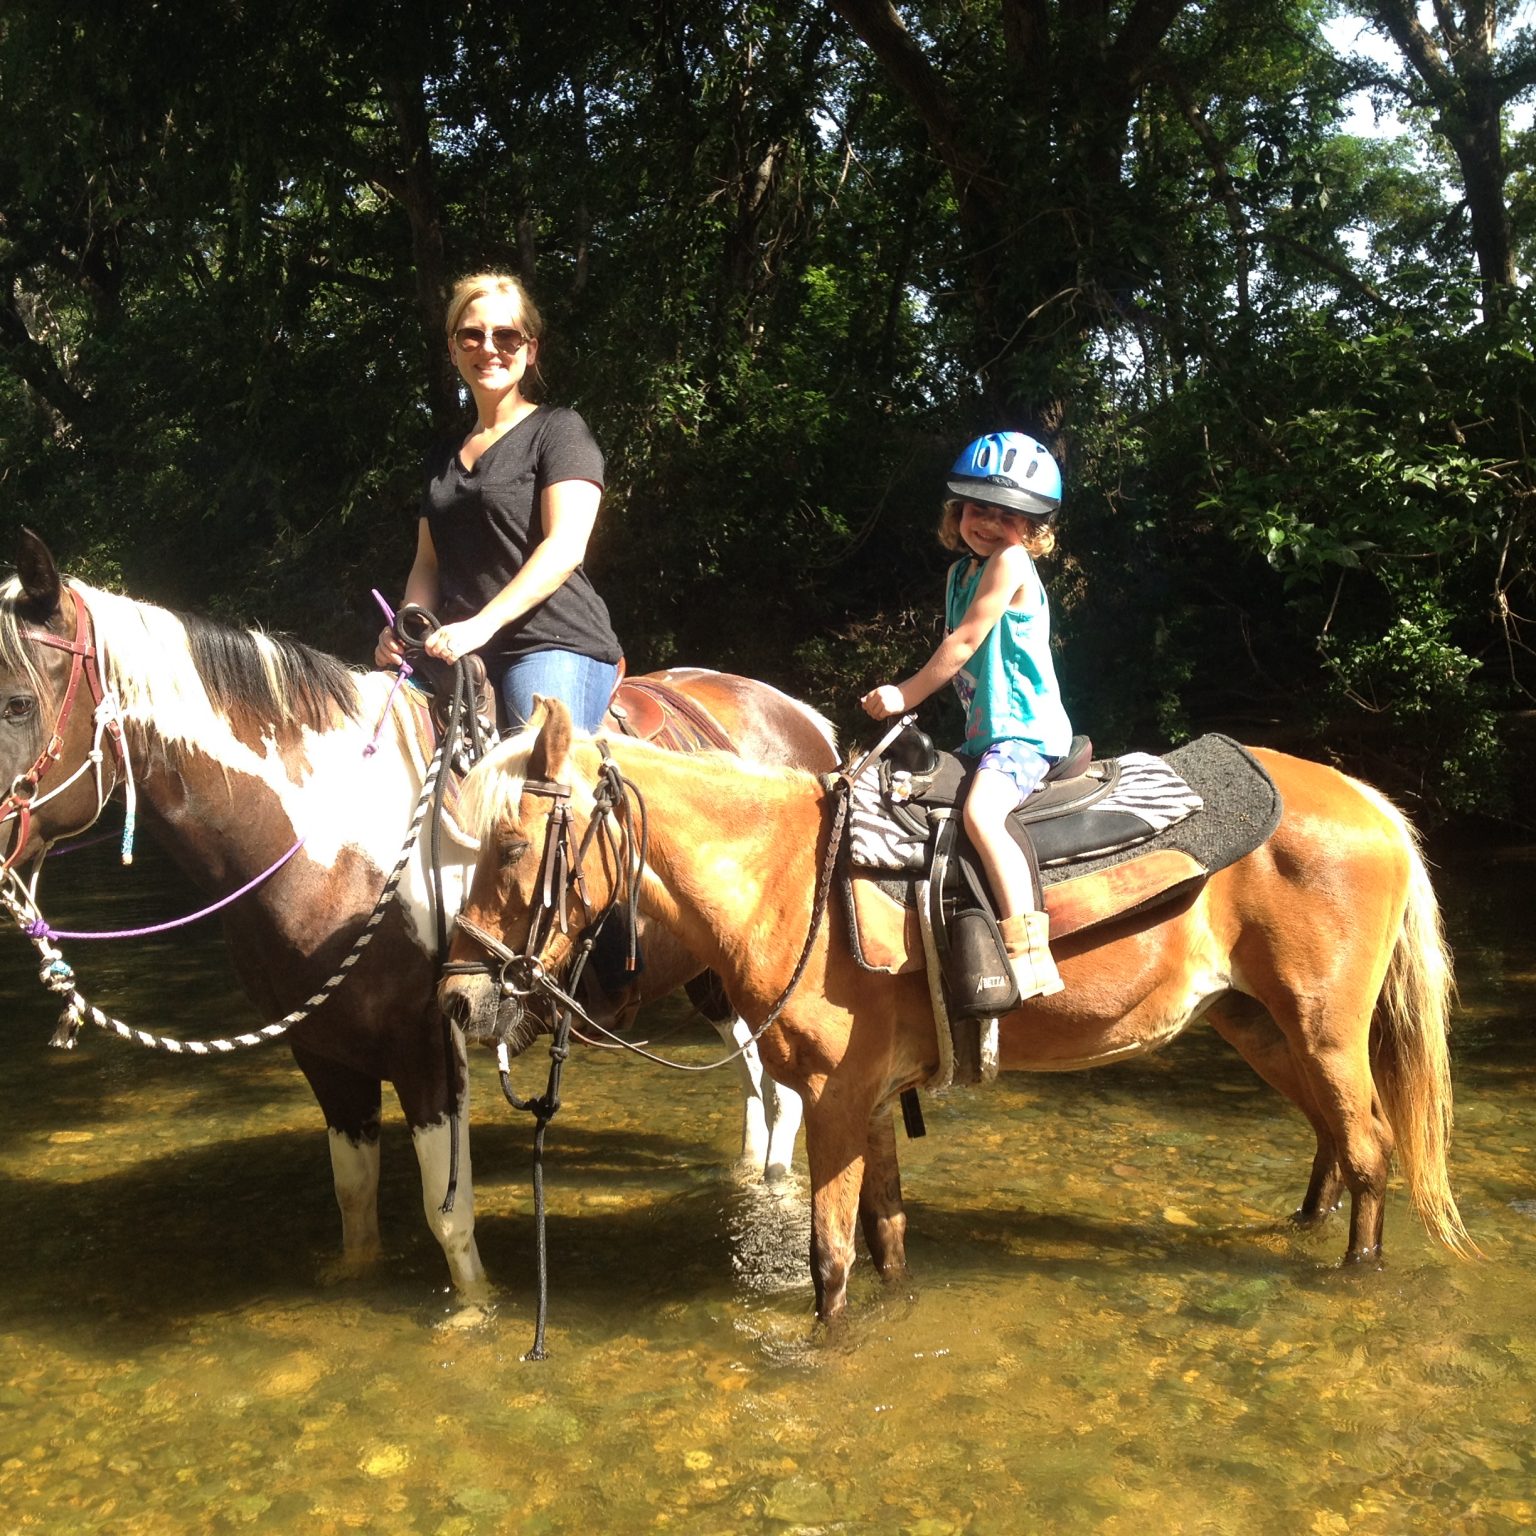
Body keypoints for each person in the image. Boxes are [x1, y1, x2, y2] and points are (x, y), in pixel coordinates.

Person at [861, 430, 1072, 1001]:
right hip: (985, 735)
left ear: (1031, 529)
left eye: (1007, 515)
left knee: (981, 813)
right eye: (978, 508)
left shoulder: (1010, 562)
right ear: (958, 512)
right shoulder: (959, 575)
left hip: (1026, 732)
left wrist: (905, 694)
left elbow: (966, 643)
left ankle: (1029, 953)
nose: (987, 523)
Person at [374, 271, 623, 731]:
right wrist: (406, 630)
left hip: (551, 645)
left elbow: (565, 546)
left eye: (506, 336)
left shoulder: (560, 431)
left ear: (530, 351)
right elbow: (427, 563)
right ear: (453, 350)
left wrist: (481, 625)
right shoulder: (442, 456)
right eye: (472, 335)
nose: (489, 347)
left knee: (537, 789)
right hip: (458, 653)